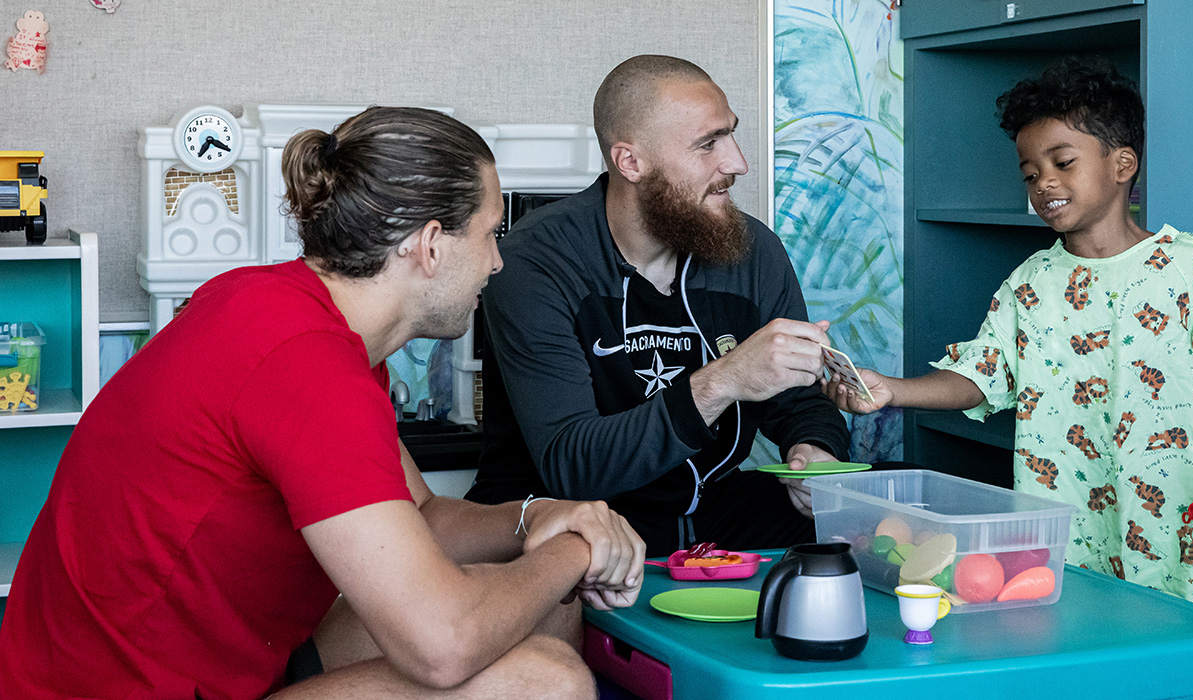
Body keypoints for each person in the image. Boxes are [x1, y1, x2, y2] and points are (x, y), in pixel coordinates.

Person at [0, 106, 646, 699]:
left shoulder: (278, 309)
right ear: (429, 244)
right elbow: (441, 651)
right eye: (486, 234)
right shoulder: (306, 368)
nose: (498, 262)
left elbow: (419, 517)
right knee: (545, 679)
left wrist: (541, 518)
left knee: (535, 593)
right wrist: (577, 550)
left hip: (224, 666)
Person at [825, 57, 1193, 642]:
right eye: (1029, 173)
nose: (1044, 184)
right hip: (1079, 518)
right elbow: (984, 372)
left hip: (1189, 511)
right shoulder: (1030, 283)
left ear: (1122, 164)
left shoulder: (1190, 264)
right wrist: (890, 391)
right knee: (1090, 646)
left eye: (1062, 163)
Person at [466, 55, 851, 556]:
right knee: (574, 542)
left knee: (891, 516)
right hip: (570, 519)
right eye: (707, 144)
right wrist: (724, 380)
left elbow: (800, 400)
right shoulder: (535, 262)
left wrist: (813, 451)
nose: (737, 163)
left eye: (730, 135)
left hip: (711, 509)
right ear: (631, 162)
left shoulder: (753, 251)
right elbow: (572, 465)